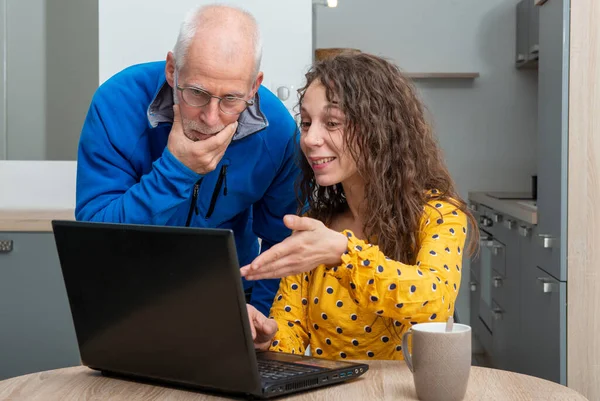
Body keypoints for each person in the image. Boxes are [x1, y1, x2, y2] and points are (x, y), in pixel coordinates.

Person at [242, 52, 478, 359]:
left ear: (380, 130)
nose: (311, 138)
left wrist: (343, 254)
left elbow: (434, 303)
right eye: (307, 122)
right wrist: (268, 336)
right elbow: (291, 330)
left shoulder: (439, 213)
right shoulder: (316, 225)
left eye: (332, 122)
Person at [75, 4, 299, 317]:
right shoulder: (116, 102)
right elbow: (93, 243)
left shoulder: (278, 132)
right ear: (172, 69)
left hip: (229, 295)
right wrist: (176, 170)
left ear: (254, 86)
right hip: (128, 294)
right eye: (196, 93)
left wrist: (260, 316)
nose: (210, 118)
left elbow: (283, 243)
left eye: (231, 99)